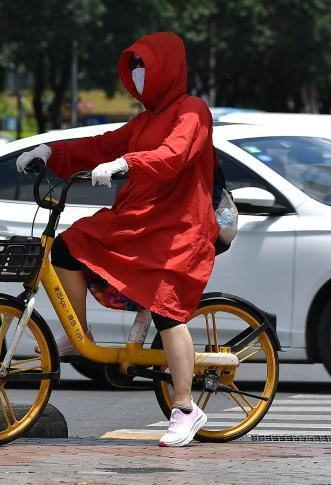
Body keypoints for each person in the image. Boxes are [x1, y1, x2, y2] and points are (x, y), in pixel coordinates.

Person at [15, 32, 216, 447]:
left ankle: (184, 407)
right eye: (134, 67)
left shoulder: (192, 110)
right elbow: (102, 145)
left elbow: (174, 155)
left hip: (178, 227)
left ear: (166, 69)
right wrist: (52, 152)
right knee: (69, 246)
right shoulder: (144, 120)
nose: (139, 75)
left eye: (146, 67)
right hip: (139, 220)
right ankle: (78, 334)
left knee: (166, 310)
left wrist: (128, 163)